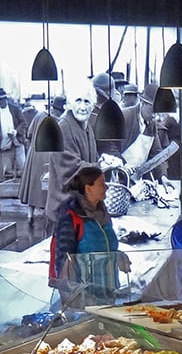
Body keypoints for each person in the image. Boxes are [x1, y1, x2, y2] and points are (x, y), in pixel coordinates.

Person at [45, 80, 122, 235]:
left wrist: (103, 159)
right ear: (69, 103)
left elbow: (90, 157)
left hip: (79, 211)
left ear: (93, 105)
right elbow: (71, 170)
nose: (82, 106)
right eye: (78, 100)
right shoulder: (64, 128)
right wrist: (100, 167)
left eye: (87, 101)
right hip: (64, 213)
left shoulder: (86, 128)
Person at [50, 166, 129, 305]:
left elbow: (104, 246)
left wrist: (118, 256)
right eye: (102, 184)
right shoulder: (71, 217)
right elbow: (63, 260)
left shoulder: (103, 214)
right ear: (88, 188)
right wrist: (71, 295)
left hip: (107, 290)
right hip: (84, 296)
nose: (106, 187)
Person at [0, 87, 26, 178]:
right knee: (7, 170)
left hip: (17, 142)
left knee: (22, 167)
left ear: (5, 99)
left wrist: (16, 131)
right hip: (4, 144)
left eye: (1, 99)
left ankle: (22, 188)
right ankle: (8, 189)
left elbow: (23, 123)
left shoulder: (15, 109)